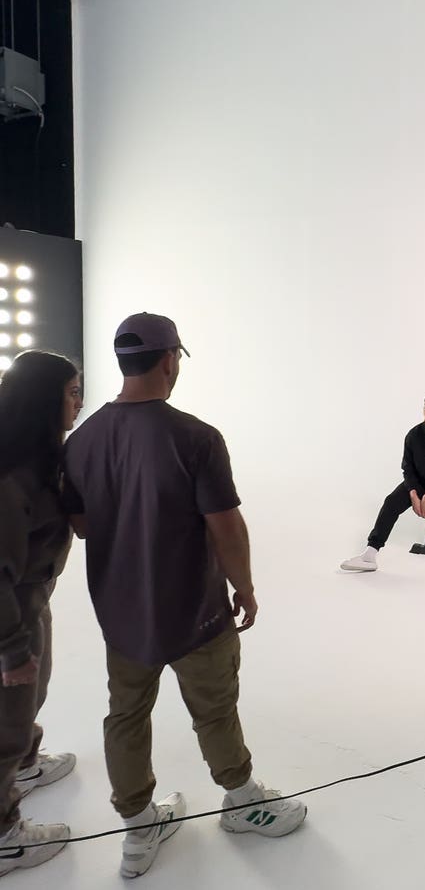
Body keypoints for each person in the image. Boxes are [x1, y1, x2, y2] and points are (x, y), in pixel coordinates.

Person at [63, 313, 306, 880]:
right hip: (195, 611)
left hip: (121, 615)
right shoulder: (196, 437)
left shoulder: (83, 440)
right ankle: (242, 803)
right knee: (215, 708)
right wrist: (244, 585)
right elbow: (226, 526)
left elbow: (81, 525)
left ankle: (138, 828)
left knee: (125, 715)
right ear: (171, 360)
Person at [0, 351, 82, 878]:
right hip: (9, 614)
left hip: (31, 602)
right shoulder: (11, 477)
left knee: (32, 695)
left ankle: (24, 766)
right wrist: (11, 650)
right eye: (72, 392)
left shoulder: (39, 457)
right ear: (43, 400)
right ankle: (5, 838)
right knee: (5, 721)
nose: (79, 402)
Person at [341, 391, 425, 581]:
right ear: (423, 410)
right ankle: (370, 554)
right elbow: (408, 468)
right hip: (421, 483)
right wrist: (413, 493)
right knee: (391, 501)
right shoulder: (414, 435)